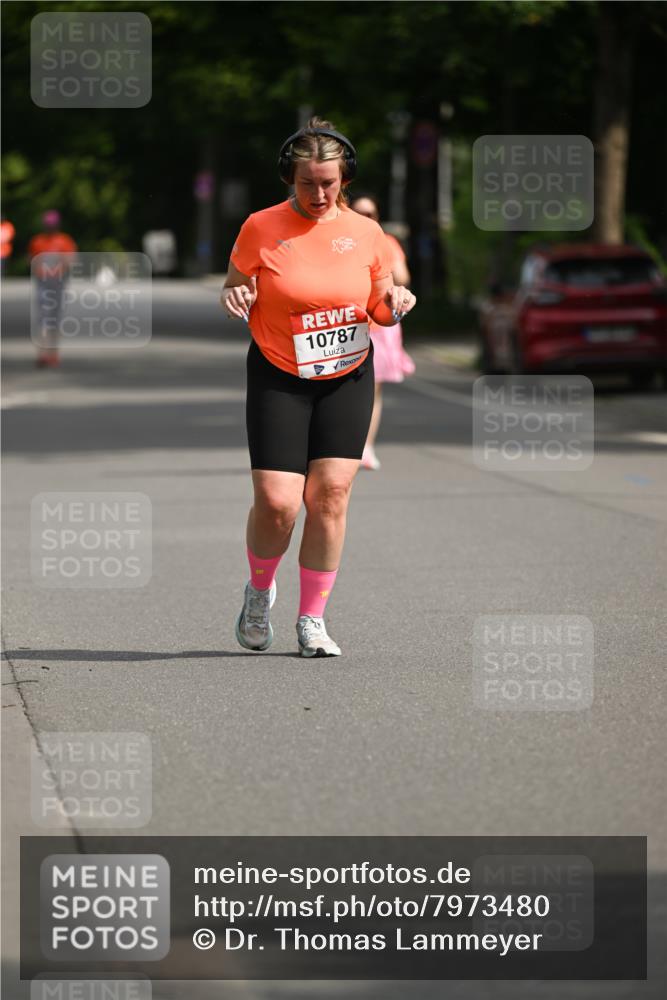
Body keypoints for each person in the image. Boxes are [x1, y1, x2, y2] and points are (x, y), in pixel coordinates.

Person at [221, 117, 417, 657]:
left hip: (347, 374)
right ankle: (259, 591)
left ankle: (313, 619)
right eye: (307, 182)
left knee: (329, 496)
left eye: (328, 182)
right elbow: (237, 284)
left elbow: (379, 304)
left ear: (345, 179)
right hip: (279, 372)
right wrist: (236, 296)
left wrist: (396, 304)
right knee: (279, 503)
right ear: (290, 177)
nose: (318, 193)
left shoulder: (368, 233)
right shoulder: (261, 226)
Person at [351, 195, 415, 470]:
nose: (367, 218)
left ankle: (366, 446)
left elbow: (402, 278)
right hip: (347, 325)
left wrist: (378, 270)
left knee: (372, 390)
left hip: (379, 327)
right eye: (360, 213)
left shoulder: (387, 242)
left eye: (372, 214)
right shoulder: (339, 241)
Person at [27, 210, 77, 368]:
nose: (50, 228)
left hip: (58, 284)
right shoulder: (38, 241)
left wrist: (59, 266)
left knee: (55, 319)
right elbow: (31, 260)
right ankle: (42, 353)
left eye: (52, 226)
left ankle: (53, 353)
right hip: (43, 283)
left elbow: (71, 260)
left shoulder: (64, 241)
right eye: (48, 226)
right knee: (43, 318)